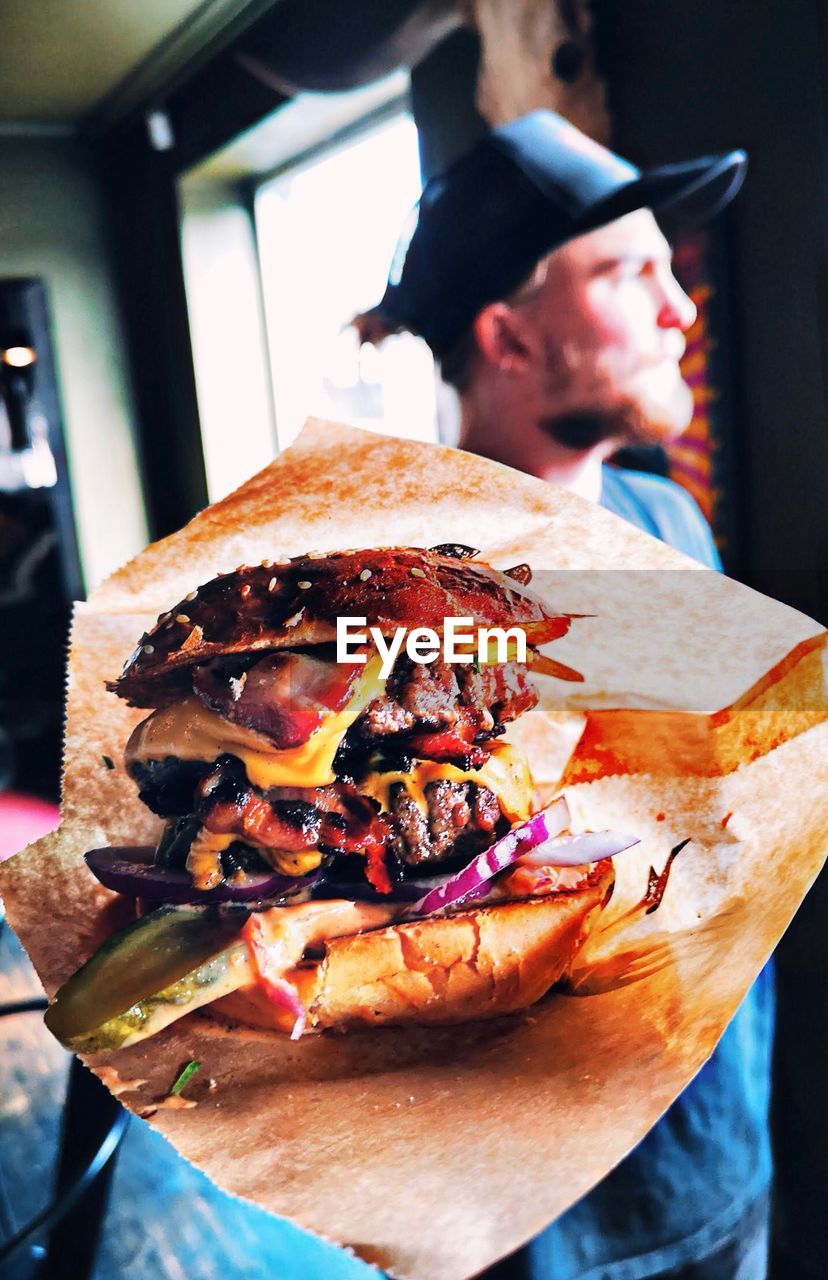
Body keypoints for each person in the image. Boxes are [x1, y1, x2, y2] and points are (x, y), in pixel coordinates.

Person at [358, 111, 772, 1279]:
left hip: (725, 1146)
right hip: (552, 1225)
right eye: (630, 273)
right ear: (512, 338)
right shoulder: (392, 596)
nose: (679, 308)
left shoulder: (670, 519)